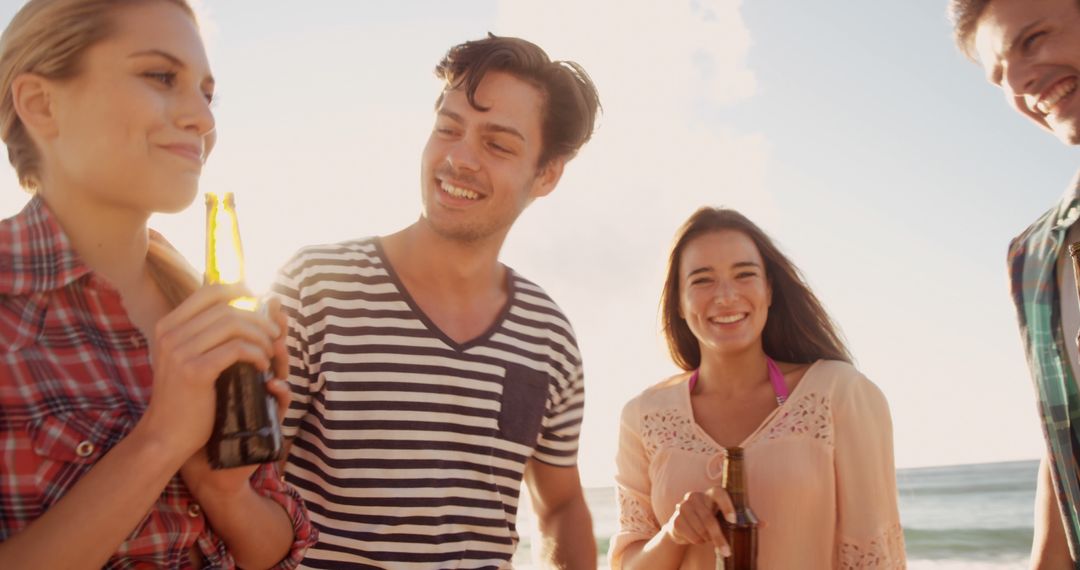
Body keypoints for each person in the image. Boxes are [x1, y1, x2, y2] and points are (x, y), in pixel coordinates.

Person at [0, 0, 316, 567]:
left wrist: (225, 492)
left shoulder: (209, 310)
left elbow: (272, 550)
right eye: (161, 77)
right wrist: (161, 441)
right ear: (41, 104)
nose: (204, 118)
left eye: (207, 92)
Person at [272, 34, 601, 567]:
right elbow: (251, 485)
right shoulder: (316, 287)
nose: (459, 157)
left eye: (498, 144)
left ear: (547, 173)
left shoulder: (549, 335)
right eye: (448, 128)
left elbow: (560, 502)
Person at [609, 207, 904, 569]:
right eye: (702, 280)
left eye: (744, 274)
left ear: (769, 290)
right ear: (679, 304)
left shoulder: (841, 392)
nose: (726, 295)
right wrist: (674, 533)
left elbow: (875, 558)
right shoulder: (643, 416)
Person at [949, 0, 1080, 565]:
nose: (1023, 82)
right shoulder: (1033, 256)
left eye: (1034, 39)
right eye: (1000, 75)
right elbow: (1063, 444)